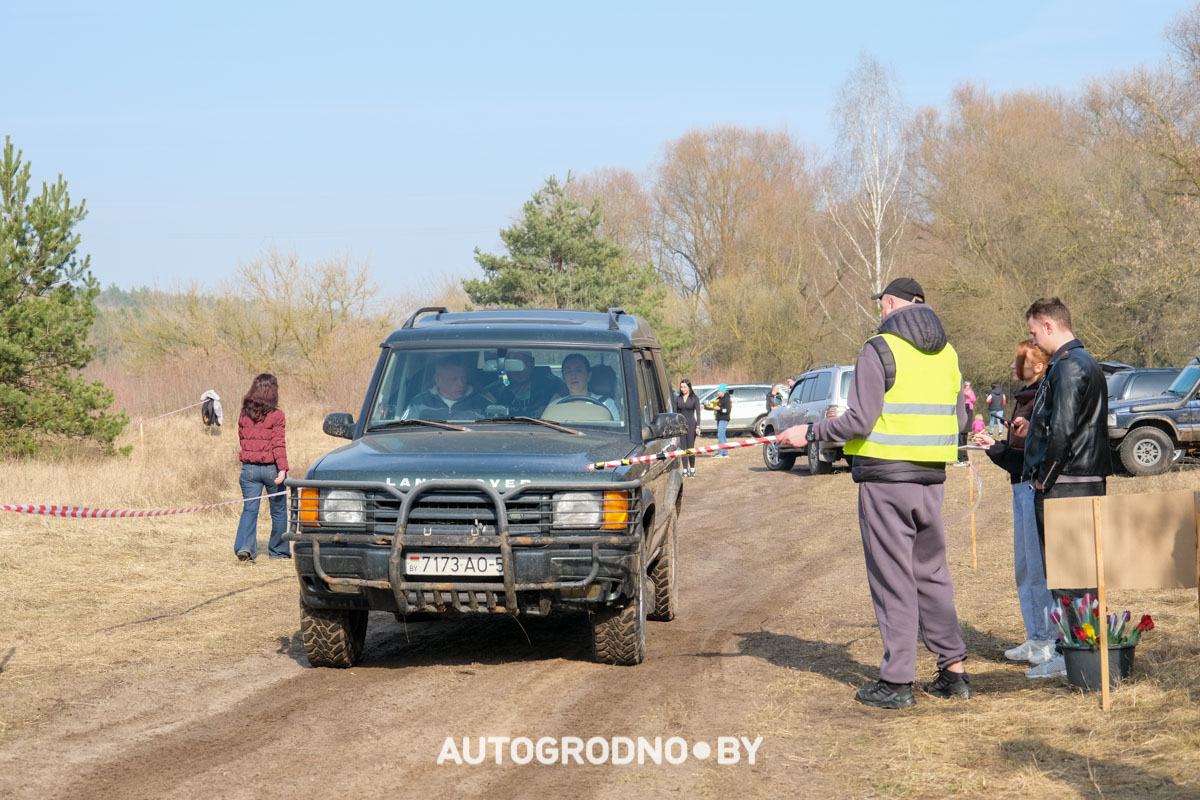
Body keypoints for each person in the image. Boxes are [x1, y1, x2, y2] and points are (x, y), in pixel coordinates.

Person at [778, 277, 970, 708]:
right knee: (933, 574)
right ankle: (953, 672)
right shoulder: (950, 354)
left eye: (880, 305)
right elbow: (959, 421)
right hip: (931, 480)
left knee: (893, 579)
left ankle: (898, 682)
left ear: (889, 303)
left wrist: (807, 432)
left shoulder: (878, 348)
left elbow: (858, 421)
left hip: (885, 480)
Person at [1015, 297, 1112, 679]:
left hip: (1068, 483)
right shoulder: (1081, 363)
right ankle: (1078, 648)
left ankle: (1071, 652)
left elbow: (1064, 429)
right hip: (1079, 479)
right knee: (1078, 573)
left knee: (1070, 575)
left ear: (1049, 326)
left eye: (1034, 331)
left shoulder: (1069, 367)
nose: (1033, 340)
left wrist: (1045, 476)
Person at [973, 340, 1057, 669]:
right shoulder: (1023, 399)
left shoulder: (1043, 399)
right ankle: (1036, 635)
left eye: (1018, 360)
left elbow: (1031, 457)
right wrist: (997, 445)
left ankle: (1049, 640)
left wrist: (996, 450)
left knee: (1038, 569)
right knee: (1024, 568)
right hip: (1019, 488)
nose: (1012, 365)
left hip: (1033, 489)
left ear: (1038, 366)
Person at [234, 374, 290, 562]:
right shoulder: (277, 416)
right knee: (279, 510)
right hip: (271, 469)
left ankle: (245, 547)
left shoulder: (243, 414)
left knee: (250, 509)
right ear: (273, 392)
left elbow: (242, 440)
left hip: (249, 469)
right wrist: (283, 469)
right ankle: (279, 551)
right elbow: (278, 444)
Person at [404, 355, 489, 421]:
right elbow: (404, 433)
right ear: (437, 379)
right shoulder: (420, 403)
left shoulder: (481, 403)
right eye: (453, 379)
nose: (461, 384)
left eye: (463, 378)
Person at [483, 350, 561, 417]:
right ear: (505, 366)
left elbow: (568, 393)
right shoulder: (495, 390)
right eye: (514, 364)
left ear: (532, 363)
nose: (520, 369)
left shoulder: (551, 385)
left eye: (524, 362)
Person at [547, 354, 620, 419]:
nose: (573, 376)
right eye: (568, 371)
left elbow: (617, 433)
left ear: (588, 376)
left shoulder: (606, 404)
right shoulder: (555, 406)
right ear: (564, 378)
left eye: (579, 370)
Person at [674, 379, 701, 477]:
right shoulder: (678, 399)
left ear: (689, 387)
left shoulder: (694, 398)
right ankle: (685, 470)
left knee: (690, 448)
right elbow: (675, 414)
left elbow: (698, 413)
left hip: (691, 425)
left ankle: (692, 469)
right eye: (681, 387)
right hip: (681, 427)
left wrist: (698, 426)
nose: (683, 389)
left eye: (685, 387)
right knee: (683, 448)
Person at [708, 384, 732, 457]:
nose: (718, 393)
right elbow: (713, 407)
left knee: (720, 435)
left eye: (719, 391)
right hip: (719, 418)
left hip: (724, 419)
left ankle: (721, 452)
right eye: (717, 391)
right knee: (722, 435)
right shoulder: (718, 398)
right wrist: (705, 406)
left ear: (723, 391)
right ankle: (725, 452)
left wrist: (720, 409)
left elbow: (727, 410)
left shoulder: (727, 399)